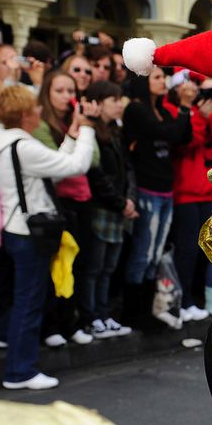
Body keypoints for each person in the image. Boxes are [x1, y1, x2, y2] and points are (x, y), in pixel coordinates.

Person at [0, 85, 96, 390]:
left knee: (30, 295)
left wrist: (71, 135)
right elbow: (75, 167)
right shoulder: (23, 145)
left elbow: (52, 167)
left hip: (17, 228)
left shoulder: (0, 137)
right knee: (30, 300)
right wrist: (86, 130)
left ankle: (0, 333)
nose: (38, 111)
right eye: (33, 108)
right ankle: (19, 372)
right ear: (23, 114)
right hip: (30, 231)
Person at [28, 68, 97, 347]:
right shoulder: (41, 124)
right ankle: (52, 325)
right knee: (55, 267)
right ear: (47, 92)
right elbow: (58, 167)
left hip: (81, 201)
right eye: (59, 90)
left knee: (78, 264)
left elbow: (93, 159)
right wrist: (78, 133)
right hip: (54, 203)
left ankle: (72, 322)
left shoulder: (76, 118)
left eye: (70, 91)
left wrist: (85, 126)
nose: (67, 96)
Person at [122, 66, 190, 326]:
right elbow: (168, 133)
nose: (164, 81)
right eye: (157, 77)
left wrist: (184, 110)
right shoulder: (136, 110)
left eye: (163, 76)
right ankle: (132, 314)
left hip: (165, 188)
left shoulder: (160, 110)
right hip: (147, 188)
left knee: (156, 252)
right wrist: (183, 108)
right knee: (143, 252)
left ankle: (148, 311)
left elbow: (183, 136)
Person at [170, 74, 212, 321]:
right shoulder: (178, 112)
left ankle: (191, 299)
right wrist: (197, 114)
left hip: (206, 191)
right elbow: (189, 139)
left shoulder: (199, 113)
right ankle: (184, 300)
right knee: (186, 250)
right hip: (185, 193)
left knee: (202, 251)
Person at [78, 80, 135, 339]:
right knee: (94, 267)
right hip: (101, 207)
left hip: (118, 207)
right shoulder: (91, 132)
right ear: (98, 103)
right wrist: (119, 202)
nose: (118, 105)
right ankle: (90, 316)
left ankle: (103, 313)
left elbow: (128, 167)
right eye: (113, 100)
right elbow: (96, 174)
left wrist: (128, 199)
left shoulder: (115, 131)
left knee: (109, 266)